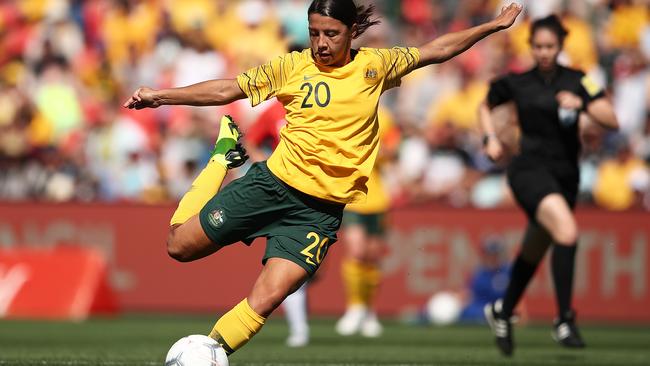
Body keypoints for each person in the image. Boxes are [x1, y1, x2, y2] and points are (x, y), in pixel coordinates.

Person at [124, 0, 522, 357]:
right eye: (314, 33)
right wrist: (162, 95)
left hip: (318, 214)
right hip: (271, 187)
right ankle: (219, 160)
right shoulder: (292, 67)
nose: (320, 43)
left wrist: (492, 26)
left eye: (330, 33)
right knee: (179, 246)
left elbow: (436, 50)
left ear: (351, 33)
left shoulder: (375, 66)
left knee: (266, 299)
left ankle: (211, 352)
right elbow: (229, 88)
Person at [478, 15, 618, 357]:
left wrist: (582, 103)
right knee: (567, 233)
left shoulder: (577, 80)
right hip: (528, 170)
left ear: (560, 47)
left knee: (534, 248)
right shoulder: (517, 82)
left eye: (549, 46)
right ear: (530, 47)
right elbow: (486, 105)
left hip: (566, 175)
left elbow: (611, 119)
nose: (543, 52)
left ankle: (503, 310)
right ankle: (564, 319)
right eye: (538, 46)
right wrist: (490, 138)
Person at [335, 105, 397, 338]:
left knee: (372, 257)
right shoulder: (346, 112)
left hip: (378, 197)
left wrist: (380, 153)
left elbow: (394, 150)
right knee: (357, 251)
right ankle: (354, 307)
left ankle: (369, 311)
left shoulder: (386, 118)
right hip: (352, 196)